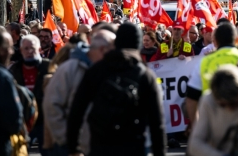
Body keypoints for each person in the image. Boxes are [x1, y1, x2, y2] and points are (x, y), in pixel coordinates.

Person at [67, 23, 166, 156]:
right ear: (138, 44)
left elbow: (76, 110)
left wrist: (73, 147)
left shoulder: (96, 70)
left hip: (100, 146)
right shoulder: (145, 75)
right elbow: (157, 122)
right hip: (133, 147)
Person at [42, 30, 115, 156]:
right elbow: (51, 105)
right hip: (73, 147)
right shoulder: (68, 69)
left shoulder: (111, 69)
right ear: (103, 49)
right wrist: (68, 139)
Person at [185, 23, 238, 125]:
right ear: (237, 40)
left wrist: (197, 126)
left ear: (215, 41)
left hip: (213, 124)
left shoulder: (204, 62)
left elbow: (191, 99)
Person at [9, 35, 50, 154]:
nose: (29, 51)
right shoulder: (14, 69)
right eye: (26, 48)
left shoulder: (49, 67)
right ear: (21, 50)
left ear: (39, 49)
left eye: (32, 48)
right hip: (23, 119)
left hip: (45, 120)